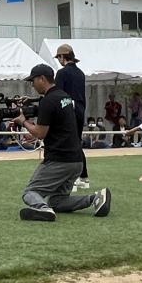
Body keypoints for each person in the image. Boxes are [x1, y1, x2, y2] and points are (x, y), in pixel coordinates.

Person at [9, 64, 110, 222]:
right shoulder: (65, 97)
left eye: (33, 81)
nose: (32, 85)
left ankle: (43, 209)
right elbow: (59, 126)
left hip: (59, 160)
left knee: (30, 193)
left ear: (42, 79)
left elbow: (40, 133)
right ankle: (95, 198)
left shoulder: (48, 101)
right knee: (57, 201)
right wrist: (34, 130)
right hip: (76, 161)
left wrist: (23, 122)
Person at [53, 44, 89, 190]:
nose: (59, 60)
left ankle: (70, 180)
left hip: (67, 111)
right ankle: (83, 177)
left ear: (63, 56)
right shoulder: (80, 73)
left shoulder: (62, 73)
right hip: (80, 110)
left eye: (59, 57)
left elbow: (57, 94)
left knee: (67, 145)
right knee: (76, 143)